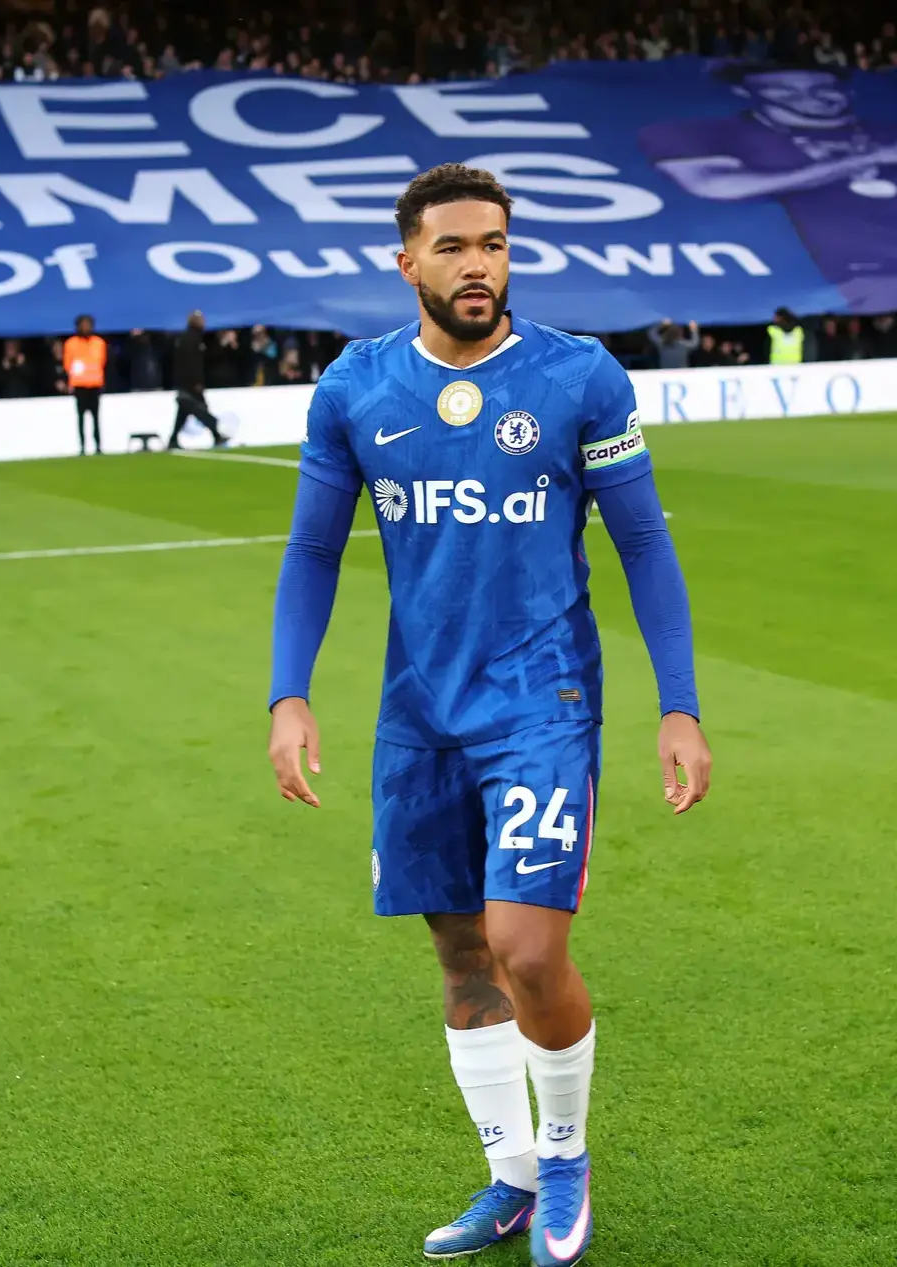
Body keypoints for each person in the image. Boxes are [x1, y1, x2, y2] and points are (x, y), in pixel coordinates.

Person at [266, 163, 709, 1267]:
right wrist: (289, 692)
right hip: (419, 714)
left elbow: (644, 544)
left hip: (543, 704)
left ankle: (564, 1159)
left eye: (496, 245)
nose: (480, 266)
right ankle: (509, 1177)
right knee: (463, 956)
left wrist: (679, 706)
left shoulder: (577, 376)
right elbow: (313, 549)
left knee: (526, 947)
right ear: (407, 262)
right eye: (456, 247)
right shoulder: (357, 386)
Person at [166, 311, 229, 448]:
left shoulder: (187, 338)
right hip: (191, 383)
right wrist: (197, 381)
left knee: (184, 411)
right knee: (200, 410)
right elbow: (192, 363)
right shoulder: (192, 339)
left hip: (184, 382)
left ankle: (173, 440)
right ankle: (216, 432)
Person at [63, 315, 108, 455]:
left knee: (96, 417)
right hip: (79, 385)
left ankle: (98, 446)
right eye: (83, 325)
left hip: (95, 384)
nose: (86, 327)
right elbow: (68, 364)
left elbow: (102, 361)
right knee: (81, 418)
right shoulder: (71, 344)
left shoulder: (99, 343)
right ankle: (82, 446)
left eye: (88, 324)